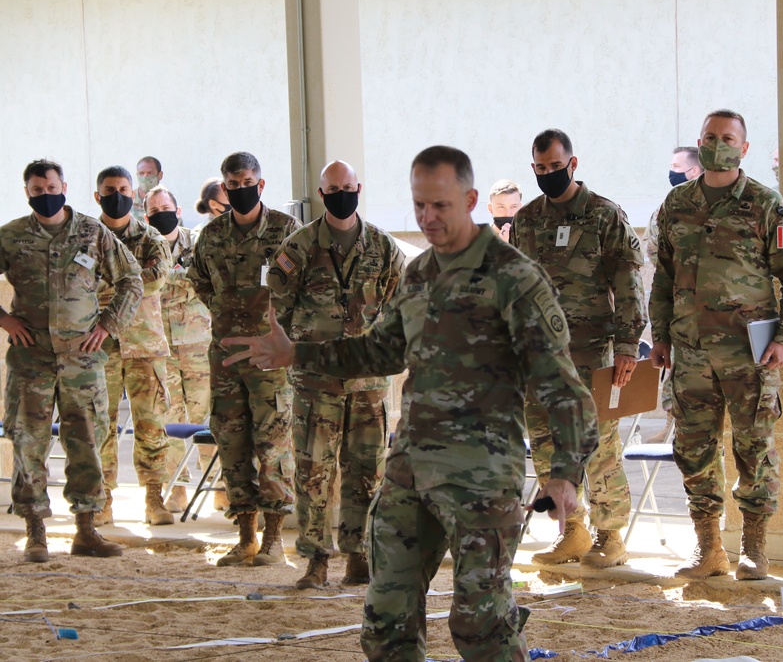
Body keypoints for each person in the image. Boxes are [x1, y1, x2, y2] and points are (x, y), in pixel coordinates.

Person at [220, 145, 598, 661]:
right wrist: (296, 352)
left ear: (469, 200)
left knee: (480, 626)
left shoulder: (515, 279)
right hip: (410, 470)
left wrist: (565, 471)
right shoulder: (419, 273)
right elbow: (381, 348)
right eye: (420, 205)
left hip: (480, 477)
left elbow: (563, 387)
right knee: (385, 620)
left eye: (440, 205)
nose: (428, 217)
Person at [648, 109, 783, 580]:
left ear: (743, 148)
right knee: (694, 450)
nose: (716, 143)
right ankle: (709, 550)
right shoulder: (676, 203)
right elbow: (662, 277)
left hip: (750, 355)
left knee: (754, 450)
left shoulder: (766, 204)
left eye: (726, 138)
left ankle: (754, 551)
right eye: (708, 136)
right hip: (689, 355)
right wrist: (658, 337)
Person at [510, 129, 646, 569]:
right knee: (547, 442)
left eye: (555, 166)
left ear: (573, 163)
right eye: (541, 168)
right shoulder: (527, 219)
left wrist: (628, 344)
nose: (548, 174)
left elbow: (628, 285)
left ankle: (611, 535)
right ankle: (573, 530)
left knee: (598, 443)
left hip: (593, 352)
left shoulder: (605, 216)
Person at [268, 160, 404, 588]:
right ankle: (315, 560)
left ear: (358, 188)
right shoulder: (299, 247)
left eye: (348, 186)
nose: (341, 193)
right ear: (322, 192)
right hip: (316, 383)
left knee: (367, 471)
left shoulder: (383, 248)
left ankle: (358, 553)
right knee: (313, 472)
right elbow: (277, 311)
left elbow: (403, 310)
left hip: (368, 383)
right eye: (333, 188)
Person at [0, 159, 142, 561]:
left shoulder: (91, 232)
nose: (46, 196)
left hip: (83, 360)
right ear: (26, 192)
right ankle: (35, 532)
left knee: (87, 442)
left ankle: (86, 530)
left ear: (64, 186)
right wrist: (6, 320)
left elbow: (131, 279)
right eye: (37, 191)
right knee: (29, 442)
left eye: (51, 188)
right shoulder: (10, 237)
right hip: (32, 360)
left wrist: (109, 326)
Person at [188, 151, 301, 567]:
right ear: (224, 187)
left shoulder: (286, 231)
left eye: (246, 182)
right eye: (232, 185)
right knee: (231, 441)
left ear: (261, 183)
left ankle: (274, 539)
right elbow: (199, 278)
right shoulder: (212, 234)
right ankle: (246, 536)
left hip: (270, 355)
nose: (240, 190)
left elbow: (302, 285)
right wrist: (225, 311)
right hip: (226, 355)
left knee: (272, 442)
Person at [92, 166, 175, 527]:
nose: (118, 195)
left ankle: (154, 499)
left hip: (145, 345)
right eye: (110, 189)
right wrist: (129, 282)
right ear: (98, 195)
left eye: (124, 188)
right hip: (99, 345)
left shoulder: (151, 237)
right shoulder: (85, 237)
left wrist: (110, 281)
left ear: (135, 194)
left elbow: (155, 282)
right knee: (100, 425)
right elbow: (77, 285)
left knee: (152, 424)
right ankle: (102, 499)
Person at [144, 185, 218, 512]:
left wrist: (172, 279)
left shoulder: (199, 242)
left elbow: (207, 280)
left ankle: (217, 484)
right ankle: (177, 488)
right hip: (162, 348)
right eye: (154, 209)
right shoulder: (143, 249)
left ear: (178, 211)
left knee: (206, 416)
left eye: (166, 207)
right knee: (170, 417)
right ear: (147, 217)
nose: (162, 213)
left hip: (199, 346)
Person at [642, 145, 703, 443]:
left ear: (693, 169)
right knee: (675, 372)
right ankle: (672, 429)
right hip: (680, 307)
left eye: (676, 165)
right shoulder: (666, 207)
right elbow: (653, 250)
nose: (672, 171)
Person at [133, 156, 163, 221]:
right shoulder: (127, 201)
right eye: (141, 173)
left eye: (150, 173)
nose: (145, 177)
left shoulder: (167, 203)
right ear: (137, 175)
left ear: (160, 175)